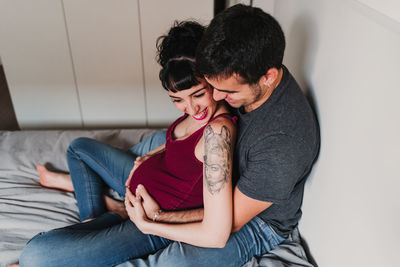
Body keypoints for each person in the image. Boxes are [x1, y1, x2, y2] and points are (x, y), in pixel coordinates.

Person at [115, 4, 320, 267]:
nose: (218, 98)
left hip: (257, 222)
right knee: (148, 148)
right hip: (219, 181)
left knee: (171, 264)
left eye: (228, 93)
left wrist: (157, 219)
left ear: (267, 76)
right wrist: (163, 150)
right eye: (213, 87)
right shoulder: (251, 74)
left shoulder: (282, 145)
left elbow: (225, 222)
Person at [17, 21, 236, 267]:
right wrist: (152, 154)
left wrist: (154, 218)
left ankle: (108, 216)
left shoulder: (218, 133)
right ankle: (99, 217)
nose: (191, 108)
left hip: (149, 223)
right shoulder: (199, 114)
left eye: (198, 94)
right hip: (139, 187)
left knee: (34, 256)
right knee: (79, 148)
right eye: (177, 99)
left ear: (213, 80)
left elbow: (217, 224)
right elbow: (187, 149)